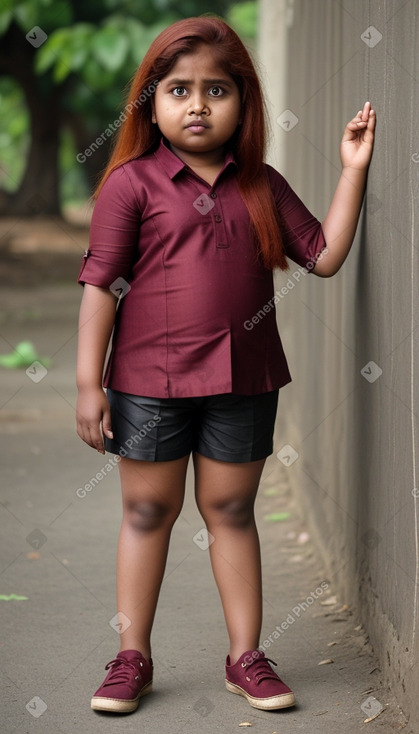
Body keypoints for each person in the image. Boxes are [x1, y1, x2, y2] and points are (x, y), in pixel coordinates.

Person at [75, 15, 375, 715]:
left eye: (217, 89)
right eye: (178, 89)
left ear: (243, 101)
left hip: (243, 381)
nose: (198, 104)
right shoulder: (130, 185)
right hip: (148, 384)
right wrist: (89, 384)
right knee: (148, 510)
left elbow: (323, 256)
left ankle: (246, 657)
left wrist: (350, 171)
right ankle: (131, 657)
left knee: (231, 510)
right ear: (152, 101)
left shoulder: (260, 184)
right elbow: (99, 285)